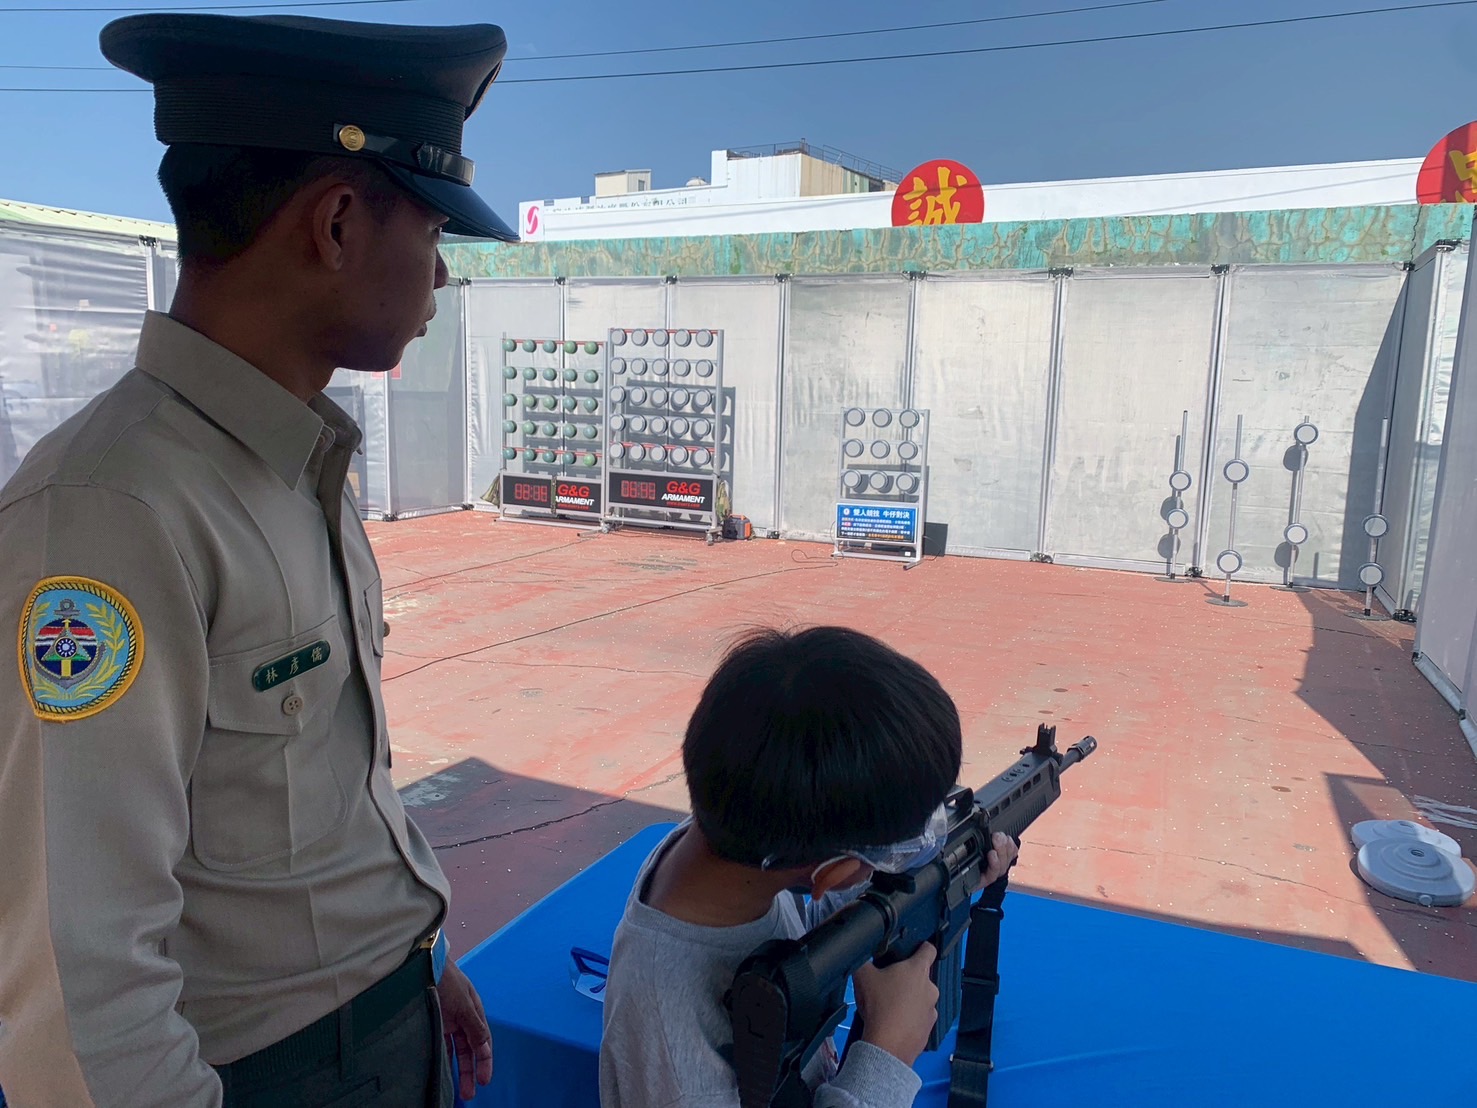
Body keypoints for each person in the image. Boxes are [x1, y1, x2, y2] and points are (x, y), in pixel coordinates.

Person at [0, 12, 519, 1107]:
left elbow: (321, 795)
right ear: (335, 223)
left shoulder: (299, 460)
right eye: (431, 235)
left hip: (386, 1023)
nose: (437, 282)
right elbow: (76, 982)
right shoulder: (111, 511)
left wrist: (422, 958)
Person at [598, 626, 1019, 1107]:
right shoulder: (674, 1062)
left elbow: (828, 906)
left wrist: (949, 878)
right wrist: (884, 1058)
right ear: (828, 874)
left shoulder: (734, 847)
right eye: (895, 853)